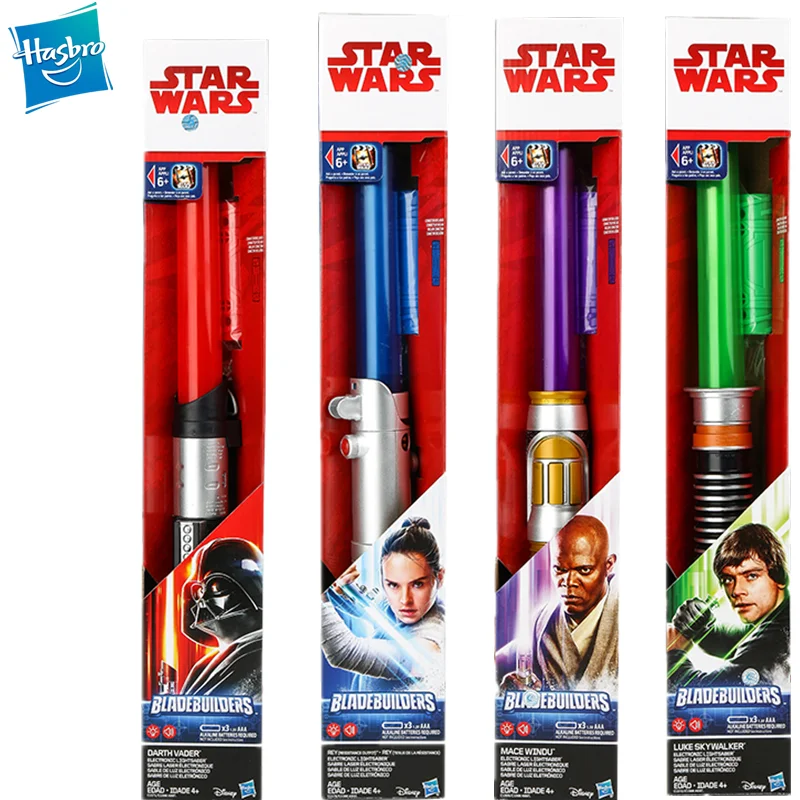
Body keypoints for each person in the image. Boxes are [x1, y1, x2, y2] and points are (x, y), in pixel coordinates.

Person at [321, 518, 445, 695]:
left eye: (418, 584)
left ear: (439, 578)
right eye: (393, 585)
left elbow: (343, 652)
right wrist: (338, 584)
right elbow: (362, 607)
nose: (405, 600)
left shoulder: (429, 644)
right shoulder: (405, 608)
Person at [499, 514, 618, 693]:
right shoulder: (542, 621)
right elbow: (500, 661)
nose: (569, 582)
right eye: (560, 570)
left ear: (608, 565)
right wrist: (506, 691)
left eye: (584, 570)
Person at [668, 523, 789, 689]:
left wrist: (673, 655)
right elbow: (737, 642)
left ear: (780, 577)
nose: (736, 591)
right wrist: (702, 629)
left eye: (751, 576)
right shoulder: (780, 617)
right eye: (728, 579)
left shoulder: (778, 638)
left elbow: (708, 693)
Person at [180, 538, 263, 698]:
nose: (202, 600)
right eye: (199, 591)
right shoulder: (203, 667)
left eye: (216, 587)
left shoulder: (256, 654)